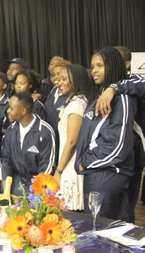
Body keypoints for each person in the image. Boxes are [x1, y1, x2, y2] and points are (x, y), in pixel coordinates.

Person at [75, 47, 136, 221]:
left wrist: (85, 163)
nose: (94, 70)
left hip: (106, 173)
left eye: (100, 65)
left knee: (99, 232)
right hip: (97, 173)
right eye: (92, 66)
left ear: (114, 66)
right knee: (108, 231)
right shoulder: (100, 96)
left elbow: (118, 143)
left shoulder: (120, 99)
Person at [53, 64, 96, 210]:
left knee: (71, 214)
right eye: (60, 79)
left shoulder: (76, 105)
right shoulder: (74, 101)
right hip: (68, 162)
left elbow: (71, 142)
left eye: (65, 79)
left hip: (71, 165)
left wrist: (58, 171)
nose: (60, 83)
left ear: (76, 80)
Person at [1, 92, 55, 196]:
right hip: (16, 184)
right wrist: (6, 192)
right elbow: (5, 160)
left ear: (23, 111)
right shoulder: (11, 130)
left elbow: (47, 166)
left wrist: (36, 195)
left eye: (11, 108)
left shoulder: (44, 131)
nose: (8, 111)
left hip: (37, 186)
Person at [43, 60, 71, 161]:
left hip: (63, 141)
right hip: (50, 140)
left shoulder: (72, 96)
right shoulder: (53, 91)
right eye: (54, 74)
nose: (56, 77)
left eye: (59, 74)